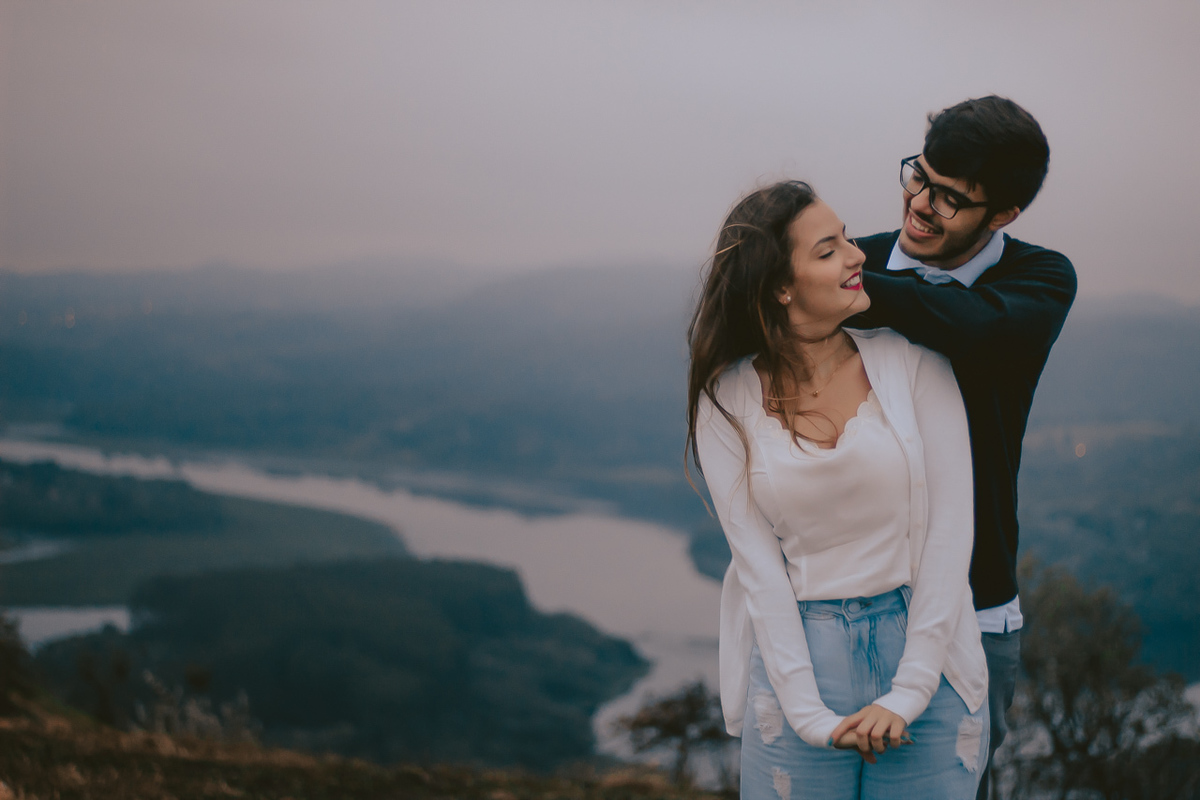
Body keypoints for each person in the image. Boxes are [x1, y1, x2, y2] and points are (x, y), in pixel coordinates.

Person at [687, 179, 988, 799]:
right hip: (800, 659)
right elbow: (758, 566)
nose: (857, 256)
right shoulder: (726, 399)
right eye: (828, 250)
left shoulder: (915, 364)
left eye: (848, 238)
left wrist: (911, 690)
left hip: (927, 649)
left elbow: (951, 532)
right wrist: (807, 715)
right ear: (780, 286)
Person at [847, 96, 1077, 799]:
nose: (921, 202)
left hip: (973, 609)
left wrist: (843, 287)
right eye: (920, 175)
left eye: (951, 198)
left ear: (1003, 214)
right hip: (841, 595)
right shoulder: (855, 259)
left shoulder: (1039, 280)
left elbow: (972, 329)